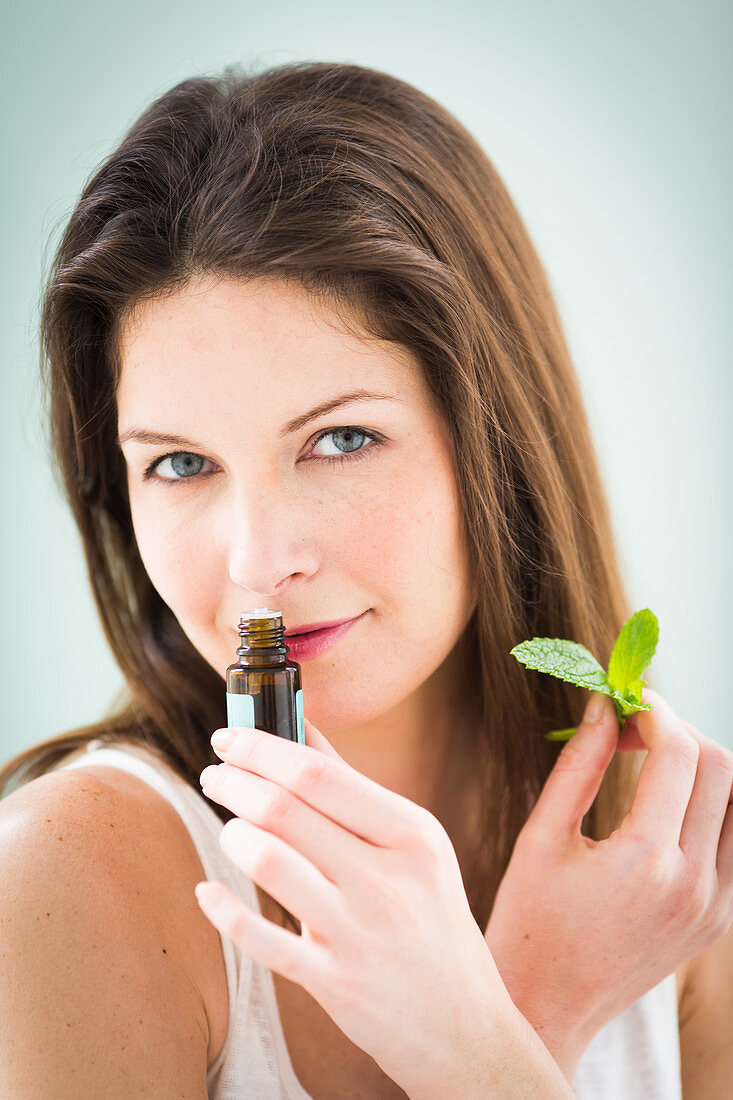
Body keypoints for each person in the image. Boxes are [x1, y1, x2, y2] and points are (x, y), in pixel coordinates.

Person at [0, 59, 730, 1099]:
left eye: (340, 438)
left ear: (499, 448)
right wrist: (528, 1015)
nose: (257, 560)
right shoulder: (69, 883)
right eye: (180, 462)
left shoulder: (662, 874)